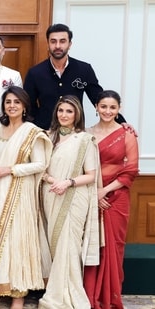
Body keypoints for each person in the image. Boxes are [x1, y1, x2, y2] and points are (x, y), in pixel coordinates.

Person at [0, 86, 53, 309]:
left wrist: (11, 170)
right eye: (8, 102)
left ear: (25, 106)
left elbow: (40, 164)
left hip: (20, 192)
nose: (12, 106)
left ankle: (19, 295)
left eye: (17, 102)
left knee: (17, 241)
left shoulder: (32, 131)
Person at [38, 95, 100, 309]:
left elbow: (91, 175)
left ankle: (65, 295)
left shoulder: (84, 140)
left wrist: (67, 182)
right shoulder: (48, 136)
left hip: (73, 195)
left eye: (69, 111)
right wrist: (51, 180)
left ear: (77, 115)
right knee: (54, 243)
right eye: (61, 110)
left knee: (69, 245)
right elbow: (41, 169)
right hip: (50, 193)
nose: (64, 115)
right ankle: (56, 289)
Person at [84, 90, 139, 309]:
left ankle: (109, 297)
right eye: (103, 106)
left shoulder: (127, 134)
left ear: (119, 109)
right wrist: (94, 194)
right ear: (96, 107)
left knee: (113, 247)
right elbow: (82, 167)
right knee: (91, 247)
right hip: (90, 196)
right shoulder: (86, 134)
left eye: (112, 107)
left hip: (116, 196)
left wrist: (104, 191)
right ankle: (90, 296)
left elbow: (131, 170)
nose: (108, 111)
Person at [24, 23, 125, 130]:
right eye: (53, 41)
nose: (58, 46)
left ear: (70, 44)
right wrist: (35, 129)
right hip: (45, 133)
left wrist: (121, 122)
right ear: (48, 44)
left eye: (62, 41)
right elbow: (28, 106)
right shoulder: (35, 73)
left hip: (75, 133)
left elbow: (99, 99)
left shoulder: (84, 69)